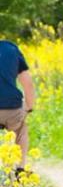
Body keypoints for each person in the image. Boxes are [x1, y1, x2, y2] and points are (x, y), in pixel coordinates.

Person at [0, 38, 36, 170]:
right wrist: (29, 107)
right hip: (11, 108)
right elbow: (28, 83)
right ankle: (19, 169)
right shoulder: (11, 49)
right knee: (20, 130)